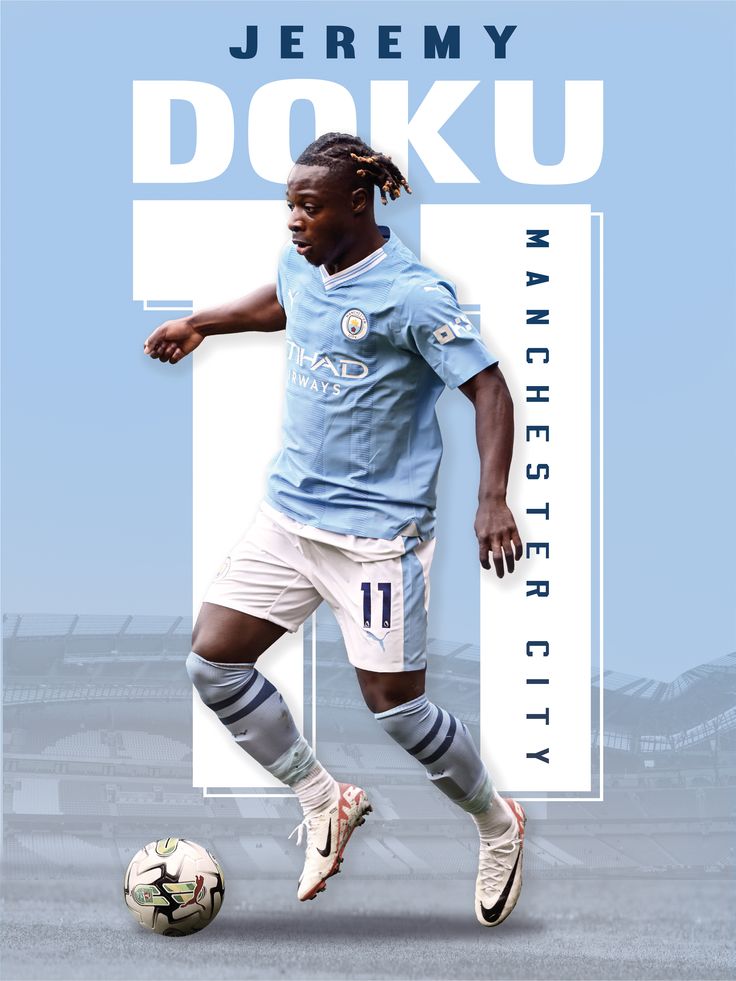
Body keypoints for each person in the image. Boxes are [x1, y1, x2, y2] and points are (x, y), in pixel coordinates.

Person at [144, 133, 526, 927]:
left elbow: (488, 388)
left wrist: (491, 498)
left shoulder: (416, 296)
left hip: (375, 540)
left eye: (309, 206)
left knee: (397, 709)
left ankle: (497, 822)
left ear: (361, 203)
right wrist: (203, 322)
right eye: (290, 204)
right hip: (289, 516)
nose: (294, 219)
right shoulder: (306, 260)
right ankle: (326, 797)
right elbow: (283, 303)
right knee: (213, 664)